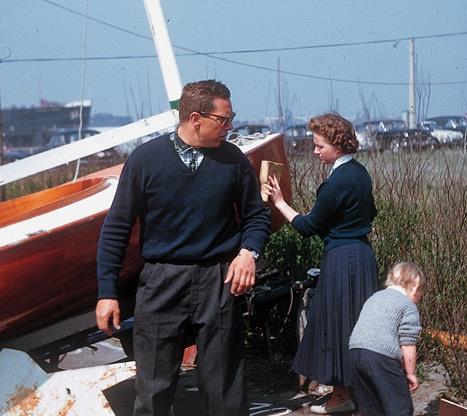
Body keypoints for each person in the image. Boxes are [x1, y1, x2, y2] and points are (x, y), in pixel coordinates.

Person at [95, 79, 271, 416]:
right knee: (154, 387)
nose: (230, 127)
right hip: (162, 280)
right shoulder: (146, 160)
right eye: (224, 120)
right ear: (195, 118)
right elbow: (116, 227)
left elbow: (256, 217)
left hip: (219, 280)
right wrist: (107, 292)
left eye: (231, 118)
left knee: (224, 388)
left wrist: (249, 253)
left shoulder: (233, 159)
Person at [263, 113, 379, 414]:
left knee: (338, 325)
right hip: (363, 257)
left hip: (342, 259)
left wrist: (279, 203)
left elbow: (307, 226)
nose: (315, 151)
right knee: (358, 326)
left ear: (336, 145)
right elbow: (371, 213)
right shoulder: (361, 173)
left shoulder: (336, 183)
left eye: (319, 146)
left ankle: (341, 397)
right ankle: (358, 394)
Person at [348, 261, 425, 416]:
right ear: (416, 287)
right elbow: (408, 342)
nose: (419, 298)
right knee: (400, 407)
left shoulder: (374, 297)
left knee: (371, 407)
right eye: (420, 294)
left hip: (355, 352)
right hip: (381, 356)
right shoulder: (407, 306)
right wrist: (410, 373)